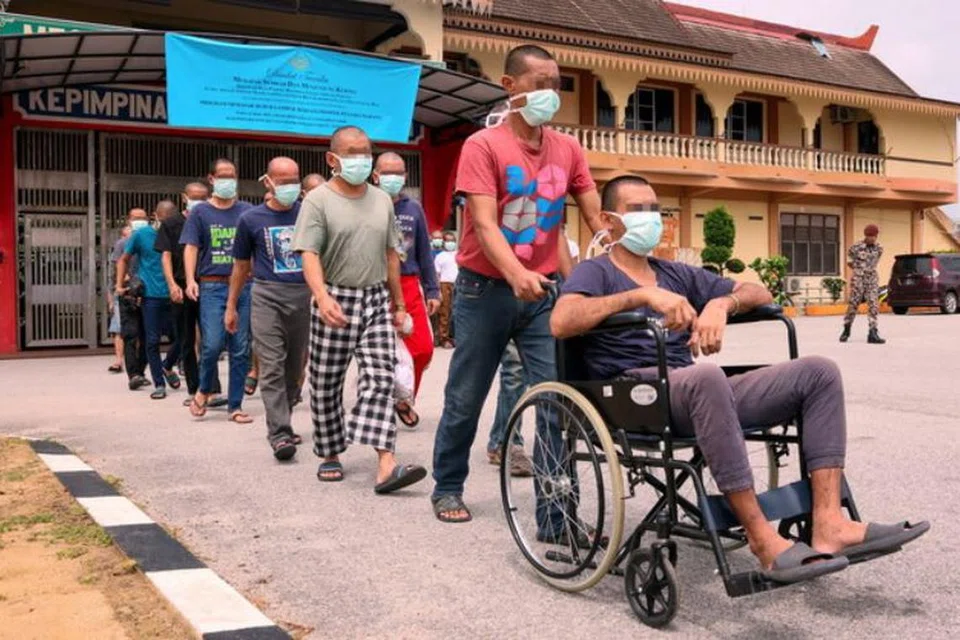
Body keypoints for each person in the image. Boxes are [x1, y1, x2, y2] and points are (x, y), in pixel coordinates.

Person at [551, 174, 928, 582]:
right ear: (608, 221)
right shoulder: (595, 271)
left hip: (690, 386)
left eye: (654, 210)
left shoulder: (676, 273)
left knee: (819, 372)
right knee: (708, 378)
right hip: (632, 393)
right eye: (638, 211)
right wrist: (641, 296)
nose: (651, 219)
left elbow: (759, 291)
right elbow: (562, 321)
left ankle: (829, 523)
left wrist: (720, 303)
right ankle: (761, 537)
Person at [429, 44, 603, 523]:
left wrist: (617, 246)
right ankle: (447, 486)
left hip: (544, 294)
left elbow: (593, 216)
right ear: (510, 87)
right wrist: (515, 273)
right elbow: (484, 225)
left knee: (555, 399)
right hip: (484, 290)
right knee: (466, 396)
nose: (550, 92)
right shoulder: (482, 146)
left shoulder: (568, 149)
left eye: (556, 83)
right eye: (539, 82)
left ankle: (555, 512)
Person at [291, 125, 427, 494]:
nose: (361, 160)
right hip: (334, 297)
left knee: (381, 378)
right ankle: (330, 452)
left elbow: (391, 255)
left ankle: (386, 462)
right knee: (325, 383)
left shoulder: (382, 200)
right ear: (332, 159)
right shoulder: (317, 200)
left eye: (366, 152)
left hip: (375, 298)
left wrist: (398, 305)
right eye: (352, 153)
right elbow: (308, 253)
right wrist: (321, 296)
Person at [227, 157, 310, 461]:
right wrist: (232, 305)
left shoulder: (309, 213)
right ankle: (279, 434)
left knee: (295, 369)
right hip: (266, 295)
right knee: (271, 364)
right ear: (269, 182)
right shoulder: (251, 220)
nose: (290, 186)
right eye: (283, 180)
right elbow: (240, 266)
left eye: (294, 179)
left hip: (304, 297)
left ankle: (283, 418)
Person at [181, 158, 254, 423]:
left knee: (240, 347)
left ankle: (235, 405)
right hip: (211, 285)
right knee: (211, 344)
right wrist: (190, 279)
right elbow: (191, 247)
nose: (228, 181)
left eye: (232, 176)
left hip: (244, 286)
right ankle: (203, 389)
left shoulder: (247, 211)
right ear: (211, 179)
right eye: (222, 176)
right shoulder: (200, 212)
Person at [373, 152, 440, 428]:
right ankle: (378, 405)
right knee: (380, 353)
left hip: (409, 283)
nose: (392, 178)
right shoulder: (366, 204)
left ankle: (402, 398)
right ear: (375, 175)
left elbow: (424, 251)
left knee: (422, 349)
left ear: (405, 176)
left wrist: (433, 289)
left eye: (398, 173)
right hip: (374, 286)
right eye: (386, 172)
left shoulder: (414, 209)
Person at [157, 182, 226, 407]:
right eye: (194, 196)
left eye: (203, 197)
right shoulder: (171, 224)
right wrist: (172, 285)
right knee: (186, 339)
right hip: (180, 286)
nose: (199, 200)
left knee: (211, 338)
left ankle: (212, 389)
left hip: (208, 285)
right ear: (184, 197)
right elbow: (166, 256)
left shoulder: (210, 219)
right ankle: (194, 388)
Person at [118, 201, 181, 399]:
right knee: (152, 341)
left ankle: (167, 365)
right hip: (151, 295)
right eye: (163, 219)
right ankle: (159, 384)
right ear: (155, 216)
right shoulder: (142, 235)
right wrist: (120, 285)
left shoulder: (178, 233)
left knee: (182, 337)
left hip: (174, 292)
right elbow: (124, 259)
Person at [114, 208, 149, 391]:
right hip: (128, 294)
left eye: (143, 218)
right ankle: (133, 374)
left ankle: (141, 372)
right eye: (136, 218)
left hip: (149, 294)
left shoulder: (152, 240)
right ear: (129, 220)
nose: (140, 221)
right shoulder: (122, 243)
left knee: (147, 336)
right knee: (130, 335)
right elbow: (119, 265)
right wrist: (121, 286)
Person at [841, 224, 885, 344]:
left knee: (873, 305)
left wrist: (868, 271)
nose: (873, 238)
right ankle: (847, 328)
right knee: (853, 305)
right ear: (866, 235)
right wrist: (859, 270)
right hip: (858, 279)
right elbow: (849, 262)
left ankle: (873, 332)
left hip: (872, 279)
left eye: (875, 236)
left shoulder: (879, 248)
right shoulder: (856, 247)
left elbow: (875, 262)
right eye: (870, 236)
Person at [107, 224, 132, 374]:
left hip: (136, 291)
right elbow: (111, 279)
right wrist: (111, 298)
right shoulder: (121, 247)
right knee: (119, 329)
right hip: (121, 292)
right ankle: (118, 360)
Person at [433, 232, 459, 349]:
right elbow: (437, 274)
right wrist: (438, 290)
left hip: (457, 284)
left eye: (452, 241)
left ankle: (455, 337)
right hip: (444, 284)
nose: (451, 243)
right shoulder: (440, 256)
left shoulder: (458, 254)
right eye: (448, 241)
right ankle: (444, 338)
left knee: (457, 311)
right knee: (445, 312)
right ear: (444, 242)